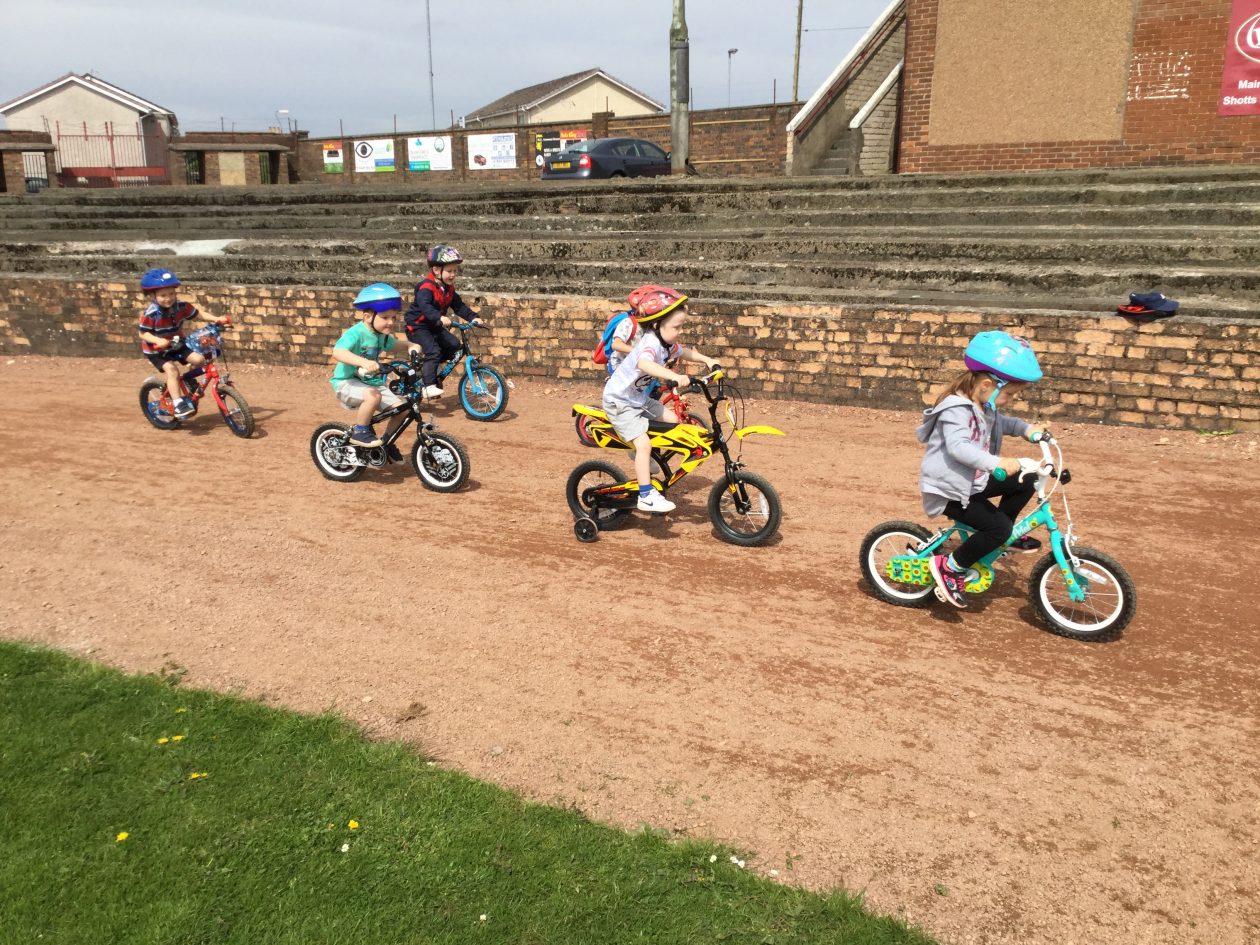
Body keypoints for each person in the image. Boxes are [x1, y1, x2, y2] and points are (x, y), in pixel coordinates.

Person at [917, 330, 1050, 608]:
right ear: (988, 384)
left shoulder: (985, 407)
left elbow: (1003, 423)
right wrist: (997, 462)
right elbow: (958, 447)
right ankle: (950, 567)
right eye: (1010, 393)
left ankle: (1002, 533)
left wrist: (1029, 431)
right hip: (950, 489)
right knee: (997, 528)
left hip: (971, 481)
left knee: (1026, 478)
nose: (1011, 399)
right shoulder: (956, 409)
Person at [602, 287, 718, 514]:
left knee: (674, 420)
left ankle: (642, 455)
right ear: (657, 325)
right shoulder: (650, 343)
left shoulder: (665, 344)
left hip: (638, 399)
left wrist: (708, 359)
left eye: (681, 326)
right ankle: (646, 495)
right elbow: (644, 364)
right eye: (676, 327)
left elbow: (684, 352)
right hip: (620, 401)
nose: (679, 331)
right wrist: (674, 376)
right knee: (644, 443)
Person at [330, 283, 419, 453]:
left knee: (403, 409)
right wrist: (363, 362)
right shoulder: (355, 333)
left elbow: (396, 345)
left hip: (370, 383)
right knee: (373, 396)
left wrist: (411, 345)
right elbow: (338, 352)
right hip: (346, 382)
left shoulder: (381, 336)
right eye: (385, 317)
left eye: (394, 317)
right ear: (368, 316)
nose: (391, 322)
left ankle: (386, 443)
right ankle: (360, 431)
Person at [137, 268, 230, 420]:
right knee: (172, 371)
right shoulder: (151, 314)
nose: (168, 298)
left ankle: (188, 381)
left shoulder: (181, 307)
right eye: (163, 295)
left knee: (199, 360)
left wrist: (216, 319)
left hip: (176, 344)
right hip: (156, 350)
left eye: (171, 293)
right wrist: (157, 340)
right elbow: (143, 333)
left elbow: (198, 314)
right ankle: (178, 403)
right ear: (152, 296)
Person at [403, 244, 481, 399]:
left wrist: (473, 317)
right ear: (437, 270)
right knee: (433, 351)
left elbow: (459, 306)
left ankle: (431, 369)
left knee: (453, 346)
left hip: (434, 326)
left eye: (455, 271)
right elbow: (425, 307)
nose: (453, 274)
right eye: (449, 271)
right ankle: (427, 386)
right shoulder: (426, 287)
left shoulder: (448, 289)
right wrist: (438, 317)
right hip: (418, 327)